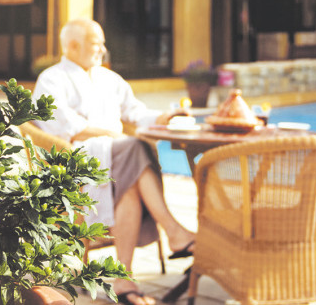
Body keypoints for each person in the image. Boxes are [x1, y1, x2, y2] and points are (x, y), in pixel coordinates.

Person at [31, 18, 195, 305]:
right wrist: (111, 132)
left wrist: (164, 117)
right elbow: (66, 127)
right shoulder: (52, 79)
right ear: (72, 45)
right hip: (77, 160)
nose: (103, 50)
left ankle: (123, 280)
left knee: (130, 175)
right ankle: (174, 231)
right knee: (133, 147)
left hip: (117, 157)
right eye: (97, 44)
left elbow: (135, 112)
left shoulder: (109, 79)